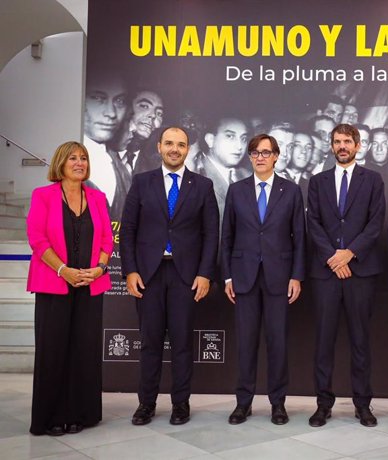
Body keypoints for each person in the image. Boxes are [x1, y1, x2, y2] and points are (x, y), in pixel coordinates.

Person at [120, 126, 219, 426]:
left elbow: (211, 233)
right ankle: (146, 405)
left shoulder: (203, 185)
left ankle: (180, 404)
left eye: (181, 144)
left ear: (188, 149)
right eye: (169, 144)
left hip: (185, 276)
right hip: (148, 274)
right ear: (160, 147)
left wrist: (205, 274)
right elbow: (128, 231)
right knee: (150, 343)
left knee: (182, 343)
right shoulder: (142, 182)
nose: (175, 149)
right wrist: (131, 270)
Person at [26, 141, 113, 436]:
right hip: (53, 284)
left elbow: (106, 240)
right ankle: (50, 417)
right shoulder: (43, 195)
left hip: (90, 284)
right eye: (73, 158)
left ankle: (80, 414)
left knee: (84, 350)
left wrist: (99, 268)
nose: (80, 163)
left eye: (84, 158)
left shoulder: (98, 197)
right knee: (53, 350)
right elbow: (37, 239)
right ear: (60, 163)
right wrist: (63, 270)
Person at [222, 134, 306, 426]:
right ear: (250, 157)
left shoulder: (292, 191)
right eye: (255, 152)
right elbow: (227, 236)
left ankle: (278, 404)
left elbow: (300, 238)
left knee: (277, 343)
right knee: (245, 343)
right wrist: (228, 276)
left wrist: (296, 275)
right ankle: (242, 404)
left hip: (279, 278)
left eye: (266, 152)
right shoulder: (236, 190)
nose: (260, 157)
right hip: (244, 278)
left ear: (276, 156)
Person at [307, 123, 385, 427]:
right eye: (337, 142)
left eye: (347, 142)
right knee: (323, 341)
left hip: (360, 271)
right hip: (326, 273)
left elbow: (375, 222)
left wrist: (349, 254)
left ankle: (362, 405)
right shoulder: (317, 181)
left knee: (360, 341)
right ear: (331, 146)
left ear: (358, 145)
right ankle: (323, 404)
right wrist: (333, 257)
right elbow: (313, 223)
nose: (342, 146)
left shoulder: (373, 180)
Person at [82, 72, 129, 220]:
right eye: (97, 98)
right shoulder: (60, 157)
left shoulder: (119, 164)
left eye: (120, 101)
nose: (111, 113)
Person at [199, 117, 252, 218]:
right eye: (230, 136)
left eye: (243, 139)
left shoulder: (249, 177)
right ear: (210, 140)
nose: (239, 146)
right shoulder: (196, 175)